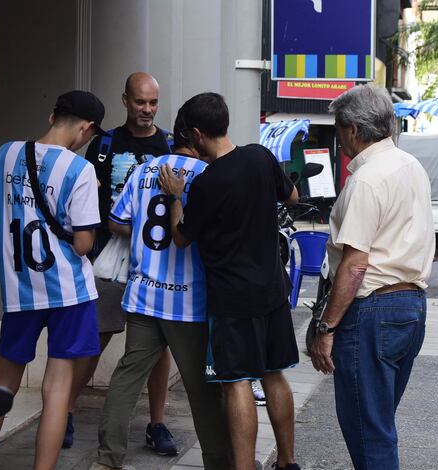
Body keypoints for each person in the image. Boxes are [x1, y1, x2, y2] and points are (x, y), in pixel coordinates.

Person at [0, 90, 106, 469]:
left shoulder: (7, 154)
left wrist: (16, 204)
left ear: (51, 117)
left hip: (21, 290)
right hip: (69, 293)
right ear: (86, 129)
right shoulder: (81, 170)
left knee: (1, 383)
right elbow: (82, 244)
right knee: (57, 389)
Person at [158, 92, 300, 470]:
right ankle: (287, 462)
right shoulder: (260, 156)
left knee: (236, 382)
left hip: (231, 300)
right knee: (274, 375)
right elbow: (293, 194)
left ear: (199, 133)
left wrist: (176, 197)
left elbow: (182, 236)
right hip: (272, 289)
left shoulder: (206, 184)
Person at [90, 111, 232, 469]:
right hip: (188, 301)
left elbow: (116, 222)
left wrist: (143, 233)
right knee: (201, 388)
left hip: (143, 294)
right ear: (198, 138)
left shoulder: (143, 171)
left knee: (126, 378)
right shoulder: (206, 175)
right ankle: (219, 461)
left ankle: (107, 459)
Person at [309, 84, 435, 469]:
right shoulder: (410, 166)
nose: (337, 134)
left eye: (337, 127)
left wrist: (327, 328)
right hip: (410, 306)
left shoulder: (366, 179)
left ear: (353, 130)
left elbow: (355, 264)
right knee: (377, 424)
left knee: (369, 432)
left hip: (373, 311)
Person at [69, 72, 177, 454]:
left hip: (157, 264)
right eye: (139, 102)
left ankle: (158, 422)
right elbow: (85, 200)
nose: (146, 110)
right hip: (109, 260)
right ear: (125, 100)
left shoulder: (170, 144)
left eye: (153, 103)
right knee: (95, 337)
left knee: (157, 345)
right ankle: (64, 411)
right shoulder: (104, 145)